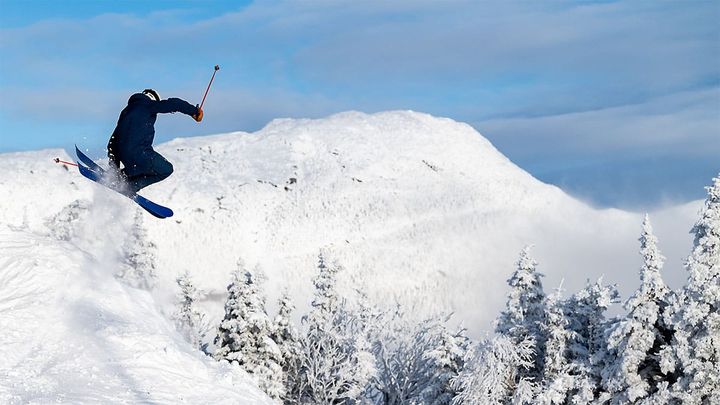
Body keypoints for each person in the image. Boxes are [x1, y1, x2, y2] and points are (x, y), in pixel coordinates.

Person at [107, 89, 203, 194]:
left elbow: (114, 140)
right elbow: (175, 104)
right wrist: (194, 111)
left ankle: (120, 178)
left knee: (139, 167)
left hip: (123, 155)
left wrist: (113, 170)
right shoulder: (148, 105)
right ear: (154, 99)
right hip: (139, 153)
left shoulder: (126, 112)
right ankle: (130, 187)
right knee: (166, 170)